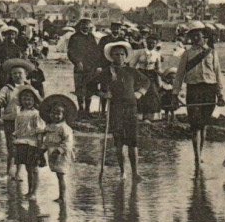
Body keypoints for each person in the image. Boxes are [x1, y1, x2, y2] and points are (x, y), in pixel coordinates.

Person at [94, 41, 150, 181]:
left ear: (125, 57)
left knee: (133, 142)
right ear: (111, 56)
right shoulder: (107, 72)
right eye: (116, 54)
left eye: (121, 54)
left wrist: (139, 93)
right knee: (119, 143)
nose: (119, 57)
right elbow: (90, 86)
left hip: (131, 108)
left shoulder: (131, 71)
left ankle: (135, 173)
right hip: (116, 108)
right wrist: (103, 94)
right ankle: (123, 172)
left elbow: (146, 82)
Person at [172, 22, 225, 164]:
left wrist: (220, 94)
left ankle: (200, 154)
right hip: (193, 91)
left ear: (204, 37)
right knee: (195, 126)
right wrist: (175, 94)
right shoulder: (187, 54)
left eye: (198, 35)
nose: (195, 38)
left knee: (204, 125)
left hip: (209, 90)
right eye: (193, 35)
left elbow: (218, 74)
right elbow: (179, 75)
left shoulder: (212, 53)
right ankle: (196, 157)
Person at [0, 58, 34, 180]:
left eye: (20, 73)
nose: (17, 76)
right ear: (11, 75)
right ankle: (9, 172)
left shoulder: (30, 88)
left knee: (22, 147)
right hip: (10, 121)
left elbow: (38, 101)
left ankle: (18, 173)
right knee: (11, 148)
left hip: (26, 121)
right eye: (14, 73)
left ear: (25, 74)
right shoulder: (7, 88)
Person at [40, 94, 77, 203]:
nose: (55, 116)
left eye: (58, 114)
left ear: (64, 115)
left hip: (62, 154)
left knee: (61, 175)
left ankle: (62, 197)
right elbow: (47, 140)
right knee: (57, 174)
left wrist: (59, 151)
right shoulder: (49, 126)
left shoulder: (64, 128)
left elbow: (68, 142)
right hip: (52, 152)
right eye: (53, 113)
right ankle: (61, 195)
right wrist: (42, 151)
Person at [12, 85, 45, 199]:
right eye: (24, 99)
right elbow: (17, 129)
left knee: (33, 168)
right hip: (21, 142)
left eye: (29, 99)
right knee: (27, 168)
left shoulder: (36, 114)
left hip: (32, 143)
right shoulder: (19, 113)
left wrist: (40, 148)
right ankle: (29, 190)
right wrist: (14, 139)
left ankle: (34, 192)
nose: (27, 102)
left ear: (34, 100)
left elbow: (40, 131)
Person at [67, 18, 104, 118]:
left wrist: (98, 65)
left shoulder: (91, 37)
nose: (85, 27)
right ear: (80, 26)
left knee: (90, 90)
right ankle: (81, 110)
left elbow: (96, 52)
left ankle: (88, 111)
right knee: (80, 90)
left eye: (87, 25)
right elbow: (70, 52)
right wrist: (77, 62)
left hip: (91, 67)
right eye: (83, 25)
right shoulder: (74, 37)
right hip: (80, 68)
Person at [131, 35, 163, 121]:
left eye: (153, 43)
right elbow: (132, 65)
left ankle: (150, 117)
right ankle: (139, 116)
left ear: (156, 44)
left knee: (152, 94)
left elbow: (158, 68)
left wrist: (162, 78)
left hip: (152, 75)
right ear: (146, 43)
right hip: (140, 73)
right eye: (149, 43)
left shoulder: (157, 54)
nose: (151, 45)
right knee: (139, 93)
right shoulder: (140, 52)